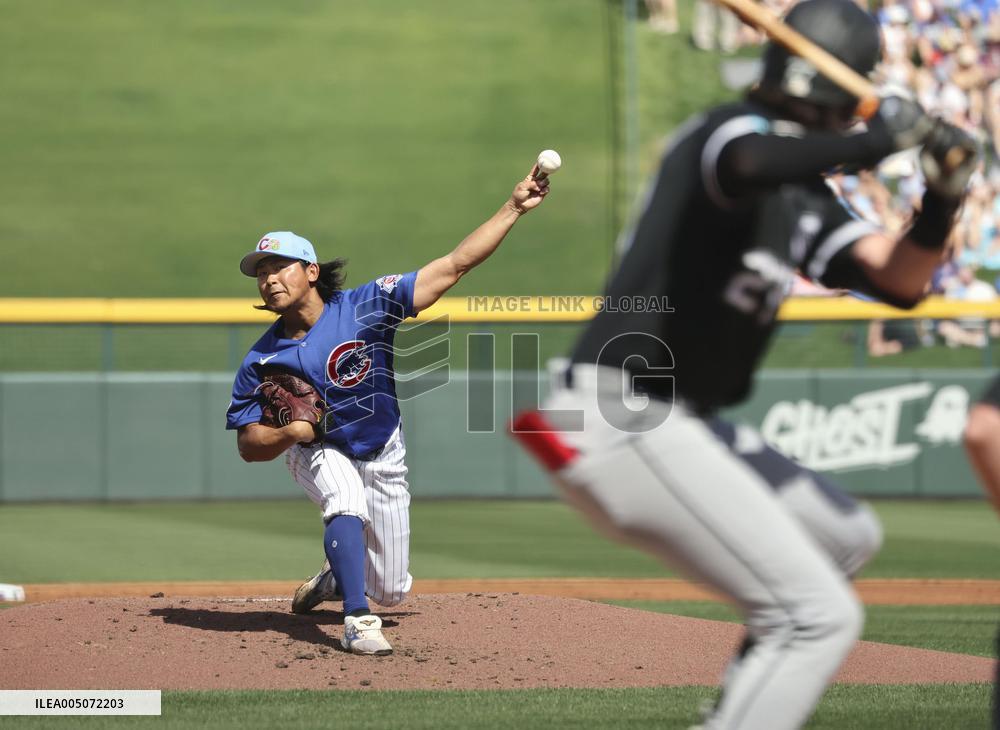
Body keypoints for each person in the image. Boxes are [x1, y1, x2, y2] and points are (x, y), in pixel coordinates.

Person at [514, 0, 977, 727]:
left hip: (668, 418)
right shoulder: (729, 131)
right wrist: (880, 139)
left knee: (846, 537)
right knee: (817, 619)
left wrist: (944, 198)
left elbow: (900, 280)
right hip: (618, 406)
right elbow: (748, 162)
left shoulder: (801, 193)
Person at [226, 167, 550, 655]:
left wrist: (513, 207)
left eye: (280, 265)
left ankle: (338, 578)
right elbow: (249, 446)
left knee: (394, 590)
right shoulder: (261, 359)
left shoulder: (367, 305)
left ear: (311, 271)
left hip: (382, 448)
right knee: (343, 498)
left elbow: (454, 265)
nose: (269, 278)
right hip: (318, 449)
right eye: (261, 272)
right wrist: (292, 432)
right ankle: (356, 619)